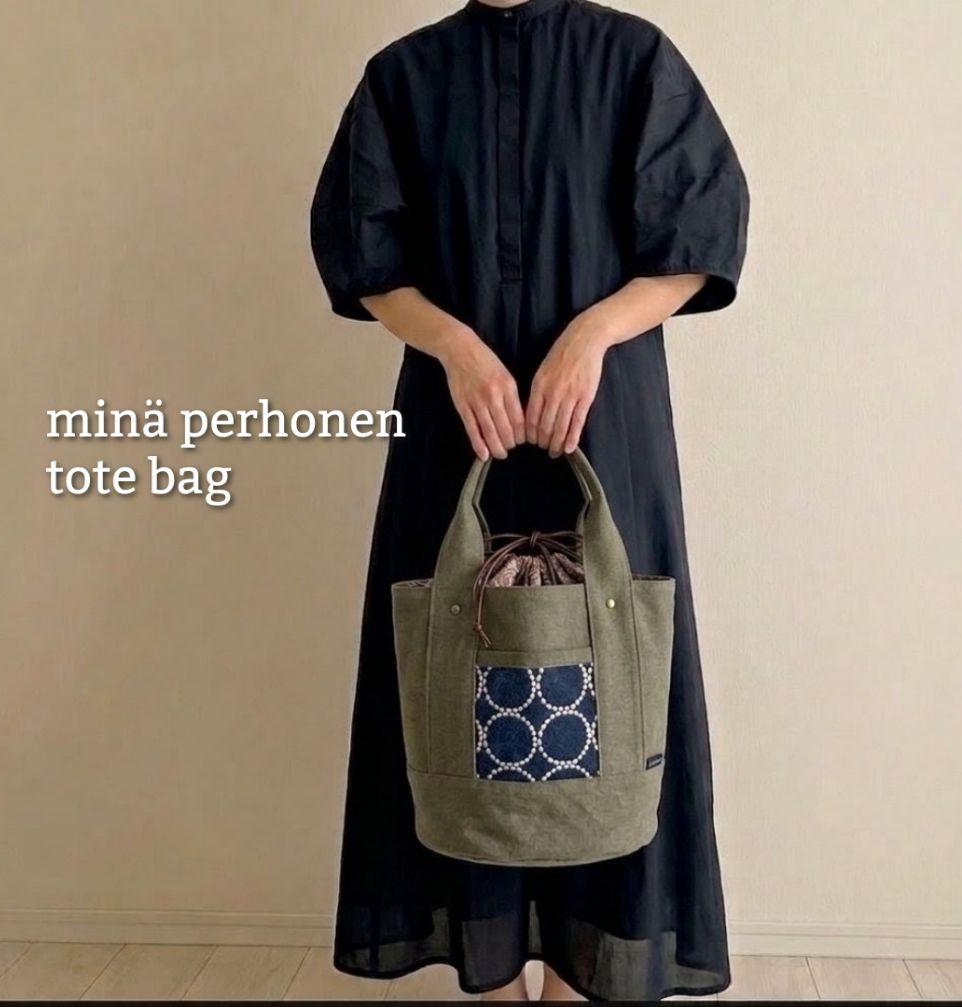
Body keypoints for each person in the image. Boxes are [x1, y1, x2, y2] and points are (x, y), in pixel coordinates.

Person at [310, 0, 749, 1000]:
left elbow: (696, 241)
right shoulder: (404, 76)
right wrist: (455, 346)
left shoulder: (633, 59)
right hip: (455, 425)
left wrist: (592, 334)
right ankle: (493, 971)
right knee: (458, 676)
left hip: (607, 423)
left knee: (615, 675)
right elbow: (366, 256)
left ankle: (587, 972)